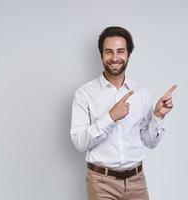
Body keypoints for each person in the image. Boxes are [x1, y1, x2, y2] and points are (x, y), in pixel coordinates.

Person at [70, 26, 177, 200]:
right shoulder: (85, 93)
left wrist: (158, 116)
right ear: (101, 55)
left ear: (128, 55)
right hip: (101, 183)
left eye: (120, 51)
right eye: (108, 52)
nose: (114, 58)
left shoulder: (140, 93)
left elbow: (149, 142)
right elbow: (79, 142)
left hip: (137, 181)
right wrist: (110, 117)